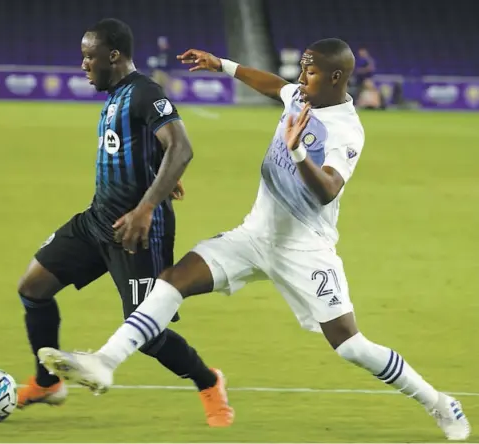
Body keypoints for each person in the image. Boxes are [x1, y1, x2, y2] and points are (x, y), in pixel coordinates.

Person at [37, 38, 470, 440]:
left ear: (337, 78)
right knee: (172, 280)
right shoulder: (300, 95)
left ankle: (438, 402)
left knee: (352, 347)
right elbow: (274, 86)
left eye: (311, 72)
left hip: (305, 250)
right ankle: (105, 362)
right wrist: (220, 64)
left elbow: (328, 191)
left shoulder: (346, 129)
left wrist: (298, 151)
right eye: (302, 70)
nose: (302, 80)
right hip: (254, 235)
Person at [17, 18, 233, 428]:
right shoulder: (116, 95)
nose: (83, 64)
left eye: (89, 56)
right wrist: (159, 174)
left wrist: (147, 206)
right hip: (98, 220)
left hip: (137, 232)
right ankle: (48, 382)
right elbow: (148, 147)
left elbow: (181, 147)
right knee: (33, 288)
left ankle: (208, 381)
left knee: (148, 334)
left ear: (113, 56)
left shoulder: (144, 92)